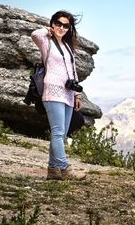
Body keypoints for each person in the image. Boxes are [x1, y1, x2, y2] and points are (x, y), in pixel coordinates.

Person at [31, 10, 86, 181]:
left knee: (61, 134)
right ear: (53, 23)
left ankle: (53, 170)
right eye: (58, 24)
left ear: (70, 28)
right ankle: (65, 168)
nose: (61, 28)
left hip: (68, 94)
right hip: (53, 91)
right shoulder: (46, 42)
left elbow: (73, 71)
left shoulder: (68, 46)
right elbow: (34, 34)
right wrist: (48, 31)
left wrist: (77, 95)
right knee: (57, 132)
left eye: (66, 25)